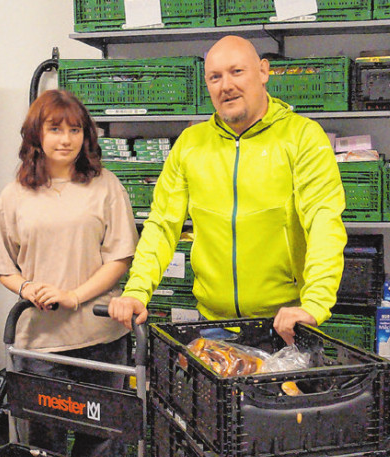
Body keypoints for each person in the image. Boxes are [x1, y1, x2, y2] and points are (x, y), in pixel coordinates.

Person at [108, 35, 347, 344]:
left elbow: (324, 223)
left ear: (263, 72)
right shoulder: (191, 144)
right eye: (215, 77)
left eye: (237, 72)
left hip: (285, 325)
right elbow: (162, 226)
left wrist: (314, 303)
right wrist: (137, 291)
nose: (226, 85)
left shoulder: (302, 137)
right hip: (211, 324)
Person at [0, 89, 138, 457]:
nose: (66, 139)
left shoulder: (106, 186)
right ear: (36, 135)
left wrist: (74, 296)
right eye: (55, 129)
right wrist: (27, 288)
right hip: (41, 344)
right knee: (45, 450)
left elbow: (119, 256)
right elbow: (5, 266)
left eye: (75, 129)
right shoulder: (14, 196)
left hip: (102, 339)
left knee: (103, 445)